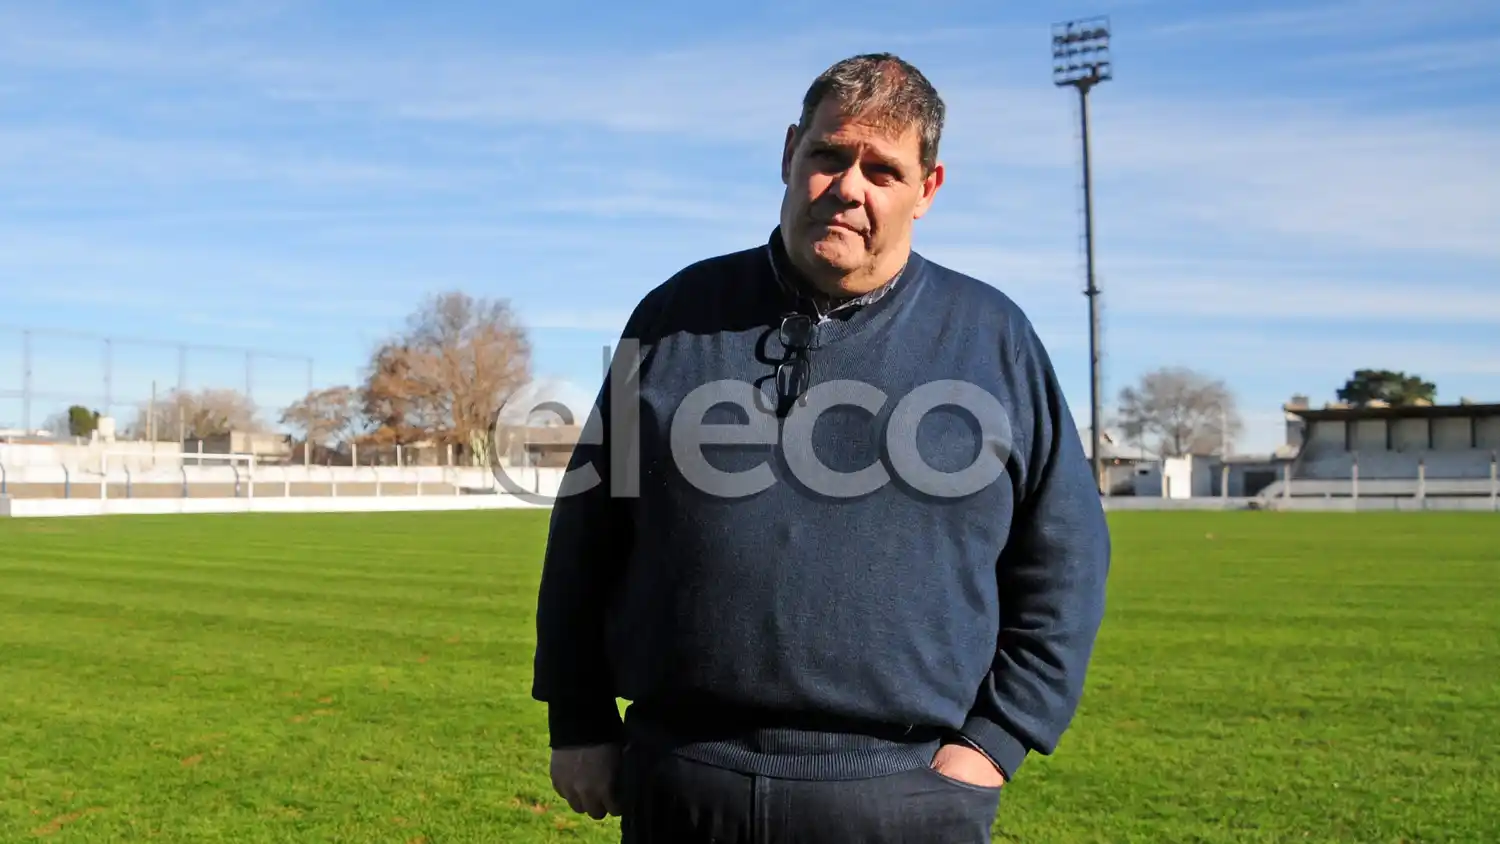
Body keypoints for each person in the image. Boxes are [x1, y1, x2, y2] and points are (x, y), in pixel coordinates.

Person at [530, 52, 1111, 842]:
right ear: (788, 153)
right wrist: (577, 714)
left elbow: (1066, 559)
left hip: (904, 796)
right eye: (829, 156)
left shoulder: (992, 340)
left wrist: (996, 742)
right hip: (683, 782)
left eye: (884, 170)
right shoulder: (676, 315)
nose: (849, 187)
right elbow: (586, 537)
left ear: (928, 190)